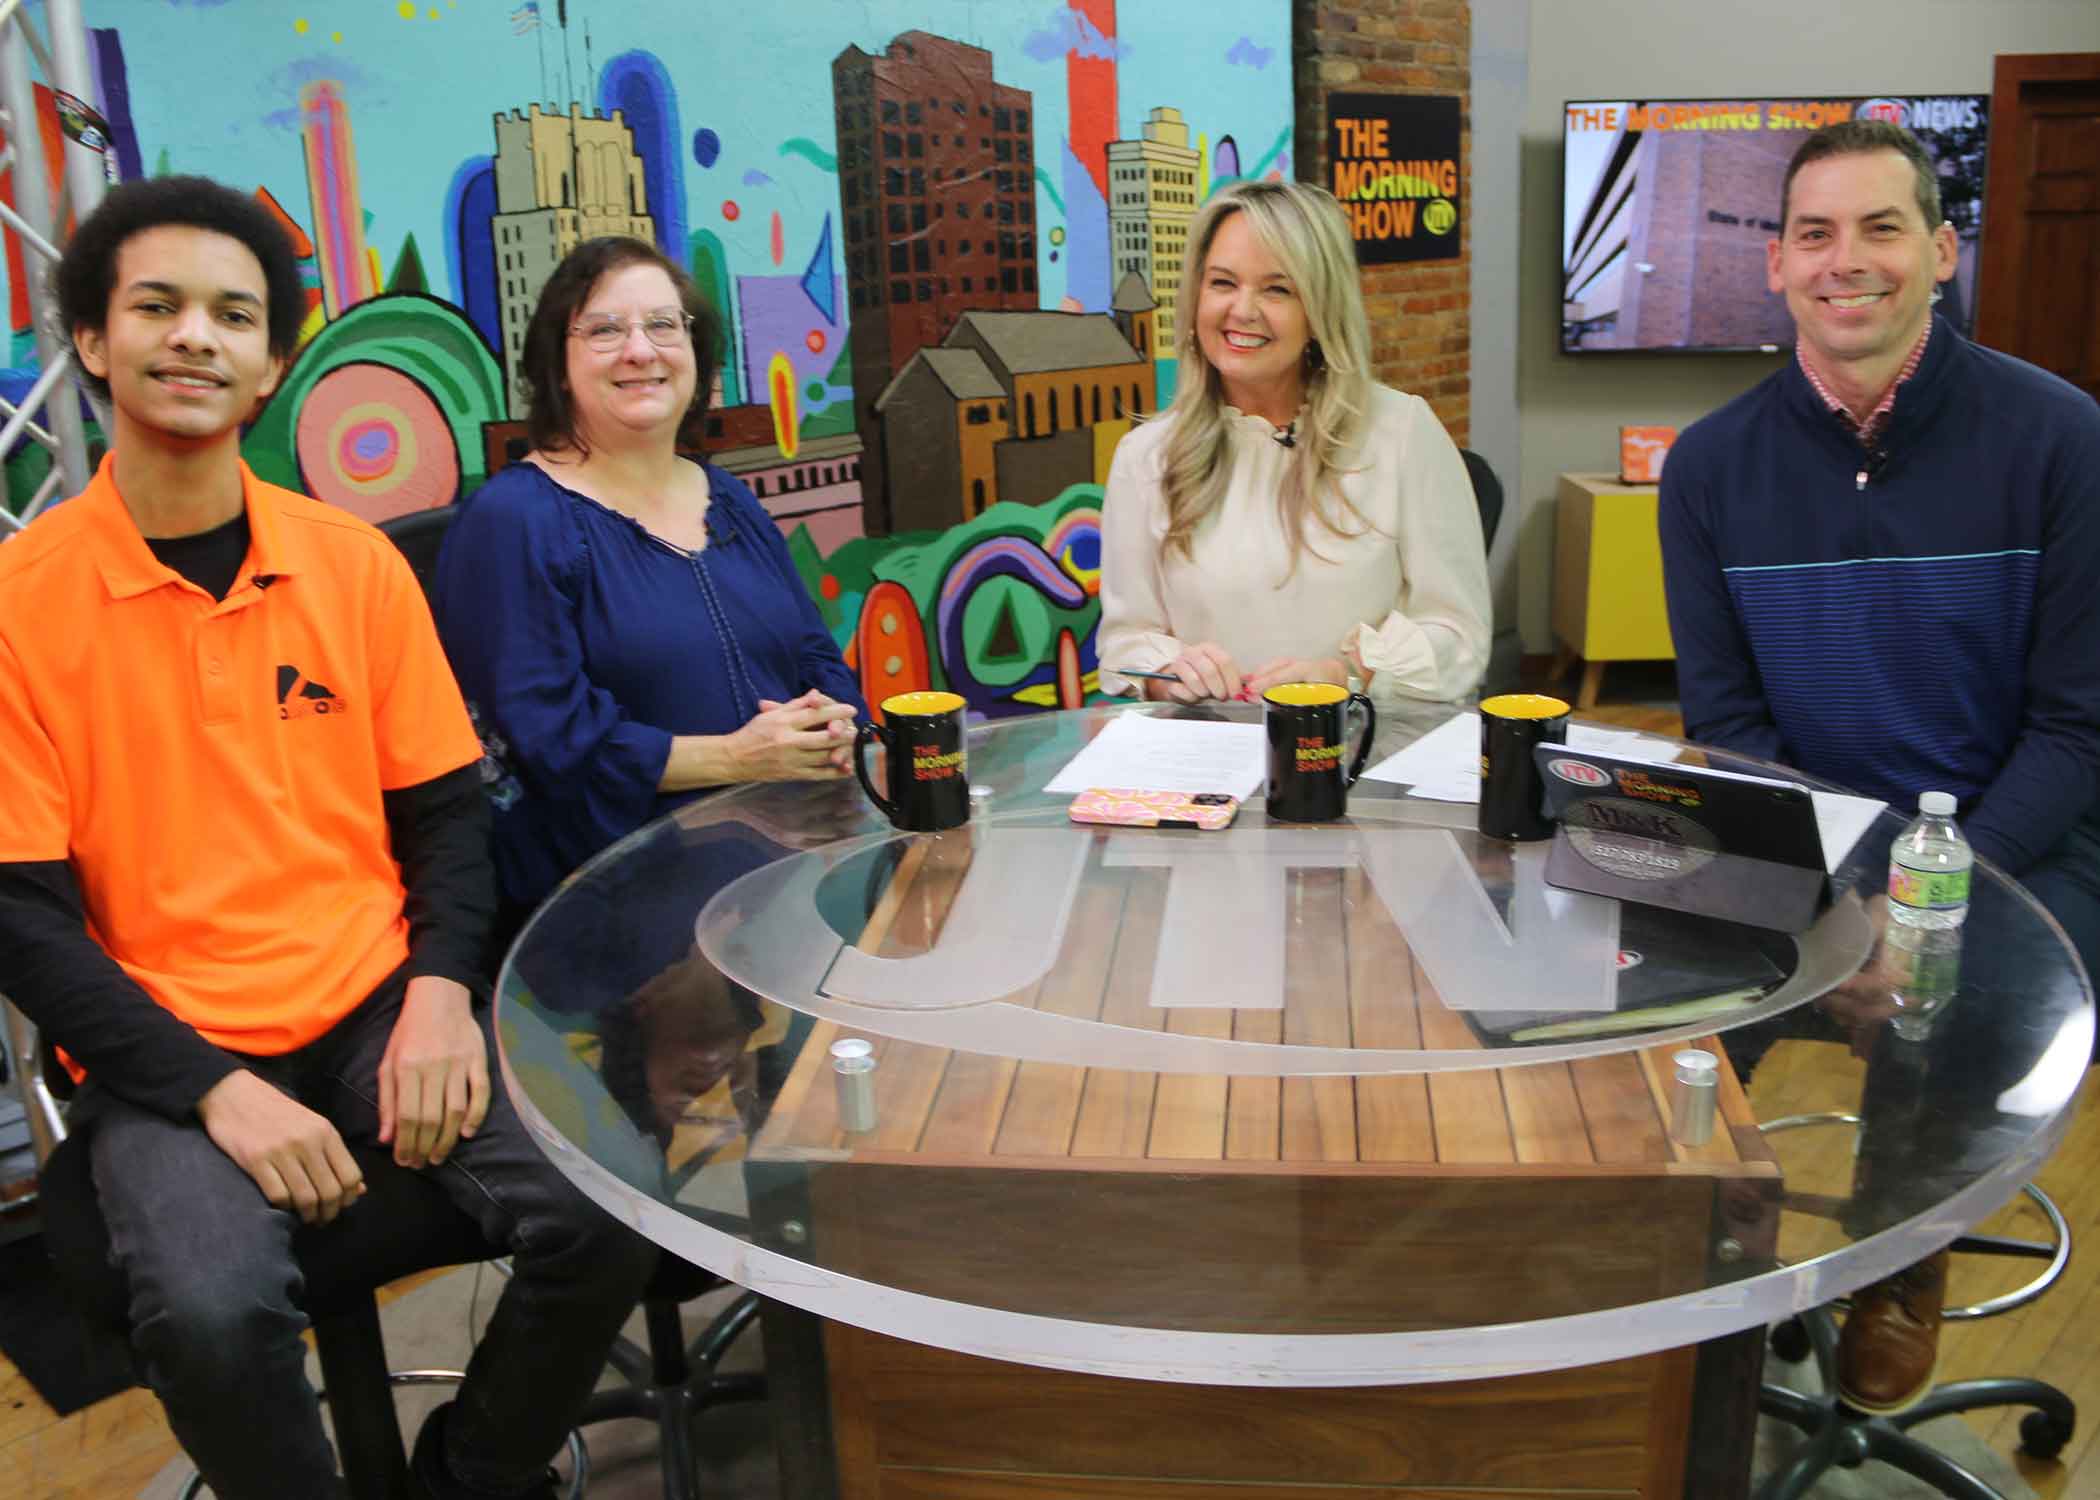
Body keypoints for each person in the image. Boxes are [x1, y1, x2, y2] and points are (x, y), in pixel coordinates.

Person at [0, 176, 657, 1500]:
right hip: (166, 1050)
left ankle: (468, 1474)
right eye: (157, 306)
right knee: (210, 1318)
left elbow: (448, 816)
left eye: (232, 314)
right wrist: (211, 1088)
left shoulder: (350, 567)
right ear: (89, 339)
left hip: (372, 1007)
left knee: (610, 1210)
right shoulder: (23, 602)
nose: (195, 336)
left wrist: (438, 995)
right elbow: (18, 916)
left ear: (272, 360)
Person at [1659, 119, 2100, 1417]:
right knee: (1633, 977)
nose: (1846, 261)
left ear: (1942, 252)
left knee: (1945, 992)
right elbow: (1731, 732)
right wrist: (1838, 910)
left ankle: (1900, 1264)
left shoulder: (2063, 440)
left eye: (1881, 227)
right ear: (1778, 270)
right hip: (1808, 839)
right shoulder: (1710, 470)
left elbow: (2078, 730)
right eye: (1814, 234)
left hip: (2021, 845)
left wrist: (1920, 908)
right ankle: (1698, 1266)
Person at [435, 236, 865, 925]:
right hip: (616, 900)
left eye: (664, 325)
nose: (641, 350)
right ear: (558, 366)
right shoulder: (512, 521)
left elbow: (813, 652)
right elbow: (551, 740)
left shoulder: (729, 498)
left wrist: (830, 725)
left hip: (783, 860)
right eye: (605, 330)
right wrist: (735, 758)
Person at [1096, 179, 1490, 707]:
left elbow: (1460, 637)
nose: (1243, 310)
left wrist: (1348, 672)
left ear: (1320, 311)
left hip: (1362, 752)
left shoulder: (1402, 432)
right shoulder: (1144, 457)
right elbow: (1124, 643)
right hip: (1211, 761)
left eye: (1277, 289)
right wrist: (1166, 672)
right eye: (1222, 283)